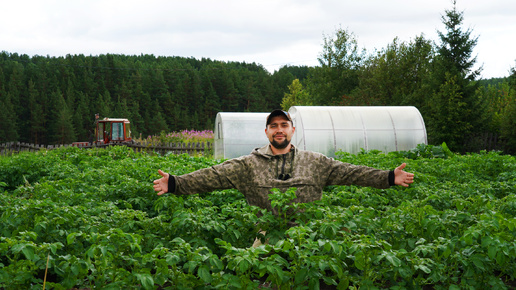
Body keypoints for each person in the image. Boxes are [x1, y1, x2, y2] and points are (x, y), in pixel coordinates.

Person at [153, 109, 415, 245]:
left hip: (310, 237)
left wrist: (389, 177)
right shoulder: (248, 165)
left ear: (292, 129)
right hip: (268, 237)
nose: (279, 130)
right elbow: (212, 176)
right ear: (267, 132)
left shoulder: (314, 162)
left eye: (284, 125)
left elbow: (352, 172)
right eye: (274, 126)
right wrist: (175, 183)